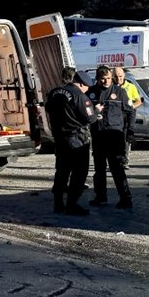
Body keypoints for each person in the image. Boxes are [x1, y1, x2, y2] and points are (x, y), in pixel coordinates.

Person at [45, 66, 99, 215]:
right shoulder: (80, 96)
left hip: (59, 138)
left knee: (62, 171)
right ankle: (72, 204)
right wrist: (98, 110)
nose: (87, 90)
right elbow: (90, 118)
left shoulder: (55, 92)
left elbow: (48, 109)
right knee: (79, 172)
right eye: (87, 87)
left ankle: (58, 203)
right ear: (81, 84)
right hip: (77, 140)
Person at [86, 65, 135, 209]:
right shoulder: (91, 93)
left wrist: (130, 131)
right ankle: (100, 196)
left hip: (115, 136)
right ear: (97, 79)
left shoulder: (119, 92)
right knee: (99, 169)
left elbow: (130, 111)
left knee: (117, 169)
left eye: (108, 78)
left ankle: (125, 199)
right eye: (103, 79)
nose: (106, 81)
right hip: (99, 136)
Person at [113, 66, 142, 168]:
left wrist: (131, 107)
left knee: (126, 138)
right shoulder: (111, 87)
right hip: (114, 116)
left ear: (124, 75)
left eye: (120, 76)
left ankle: (125, 160)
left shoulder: (130, 86)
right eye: (116, 77)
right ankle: (116, 159)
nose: (118, 79)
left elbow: (138, 101)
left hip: (127, 115)